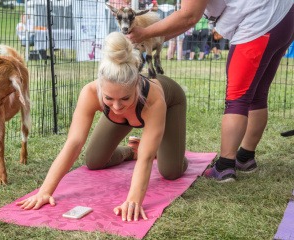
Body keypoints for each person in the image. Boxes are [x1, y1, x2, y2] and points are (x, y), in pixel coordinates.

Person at [16, 32, 188, 221]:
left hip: (172, 102)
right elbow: (74, 143)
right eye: (108, 98)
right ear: (100, 89)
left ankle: (173, 153)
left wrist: (133, 200)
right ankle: (132, 150)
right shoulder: (90, 93)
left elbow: (146, 159)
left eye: (125, 98)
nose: (116, 106)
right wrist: (45, 191)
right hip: (128, 113)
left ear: (136, 86)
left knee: (171, 171)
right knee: (94, 160)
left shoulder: (153, 100)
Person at [127, 0, 294, 182]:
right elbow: (188, 18)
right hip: (283, 15)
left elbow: (188, 16)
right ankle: (245, 158)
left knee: (237, 98)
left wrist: (143, 33)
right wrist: (151, 38)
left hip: (260, 21)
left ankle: (224, 167)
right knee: (257, 94)